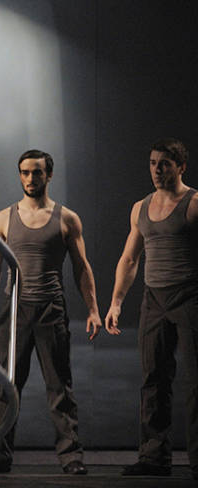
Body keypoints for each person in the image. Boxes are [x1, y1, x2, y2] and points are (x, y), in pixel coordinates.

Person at [0, 150, 100, 476]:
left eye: (37, 172)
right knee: (8, 386)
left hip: (51, 310)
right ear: (20, 175)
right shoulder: (3, 218)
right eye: (25, 172)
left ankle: (71, 457)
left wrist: (94, 310)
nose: (30, 178)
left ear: (49, 175)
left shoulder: (67, 219)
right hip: (15, 310)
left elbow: (82, 268)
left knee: (59, 388)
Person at [105, 138, 198, 480]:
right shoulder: (140, 207)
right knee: (153, 379)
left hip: (189, 296)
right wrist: (116, 302)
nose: (157, 170)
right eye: (153, 163)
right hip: (154, 300)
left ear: (181, 167)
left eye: (165, 164)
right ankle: (155, 457)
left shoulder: (194, 204)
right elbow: (130, 259)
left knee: (195, 382)